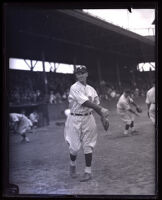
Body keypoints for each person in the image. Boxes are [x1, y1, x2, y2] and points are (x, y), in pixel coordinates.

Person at [64, 66, 109, 182]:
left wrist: (102, 117)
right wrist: (101, 109)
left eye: (82, 73)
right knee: (74, 148)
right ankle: (72, 164)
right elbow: (85, 102)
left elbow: (96, 105)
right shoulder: (74, 87)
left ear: (87, 74)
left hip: (88, 119)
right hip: (74, 118)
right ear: (76, 76)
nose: (80, 75)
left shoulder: (91, 89)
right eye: (78, 74)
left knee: (88, 146)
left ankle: (87, 171)